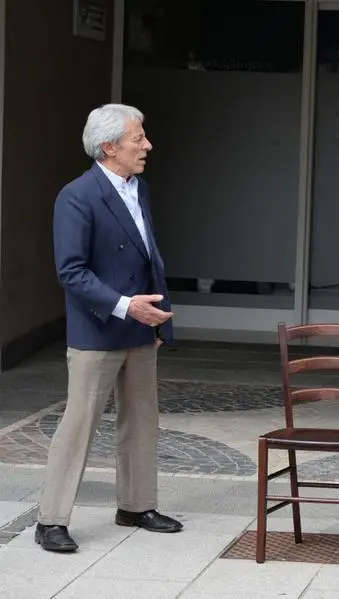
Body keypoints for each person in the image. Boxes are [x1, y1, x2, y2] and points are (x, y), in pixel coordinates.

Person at [35, 104, 182, 553]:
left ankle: (136, 505)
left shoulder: (140, 188)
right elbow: (71, 271)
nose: (147, 146)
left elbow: (149, 255)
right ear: (109, 146)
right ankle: (51, 520)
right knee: (78, 424)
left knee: (142, 421)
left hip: (141, 325)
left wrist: (160, 317)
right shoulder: (77, 195)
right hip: (99, 328)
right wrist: (125, 307)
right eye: (138, 138)